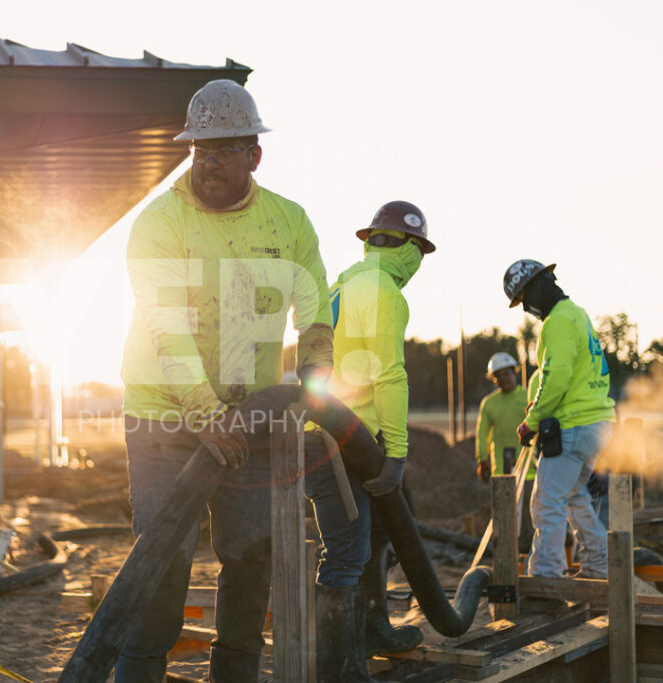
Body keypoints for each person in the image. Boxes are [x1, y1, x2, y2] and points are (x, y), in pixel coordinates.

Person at [119, 79, 334, 682]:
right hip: (164, 414)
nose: (207, 163)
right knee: (162, 560)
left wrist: (315, 379)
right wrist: (205, 414)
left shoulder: (288, 223)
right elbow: (167, 329)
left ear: (254, 156)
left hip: (253, 414)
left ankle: (234, 673)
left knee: (251, 555)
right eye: (198, 151)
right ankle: (140, 670)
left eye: (222, 150)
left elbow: (315, 312)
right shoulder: (159, 224)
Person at [322, 200, 436, 673]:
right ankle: (339, 667)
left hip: (332, 433)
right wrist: (398, 455)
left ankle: (372, 628)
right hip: (350, 439)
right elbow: (390, 375)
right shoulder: (385, 290)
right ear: (409, 247)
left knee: (372, 538)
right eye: (421, 253)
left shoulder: (344, 282)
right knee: (347, 554)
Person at [503, 260, 616, 585]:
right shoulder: (577, 314)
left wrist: (531, 421)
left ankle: (545, 580)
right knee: (576, 497)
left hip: (574, 426)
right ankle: (597, 569)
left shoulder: (557, 322)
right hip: (597, 424)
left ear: (538, 286)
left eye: (524, 298)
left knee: (546, 503)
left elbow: (555, 379)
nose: (526, 308)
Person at [475, 352, 536, 554]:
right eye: (499, 376)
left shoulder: (527, 396)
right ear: (494, 379)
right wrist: (481, 459)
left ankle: (526, 555)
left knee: (528, 515)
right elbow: (482, 433)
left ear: (514, 373)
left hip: (528, 469)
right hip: (501, 471)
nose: (504, 379)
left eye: (507, 374)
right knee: (503, 515)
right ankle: (505, 555)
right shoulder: (489, 404)